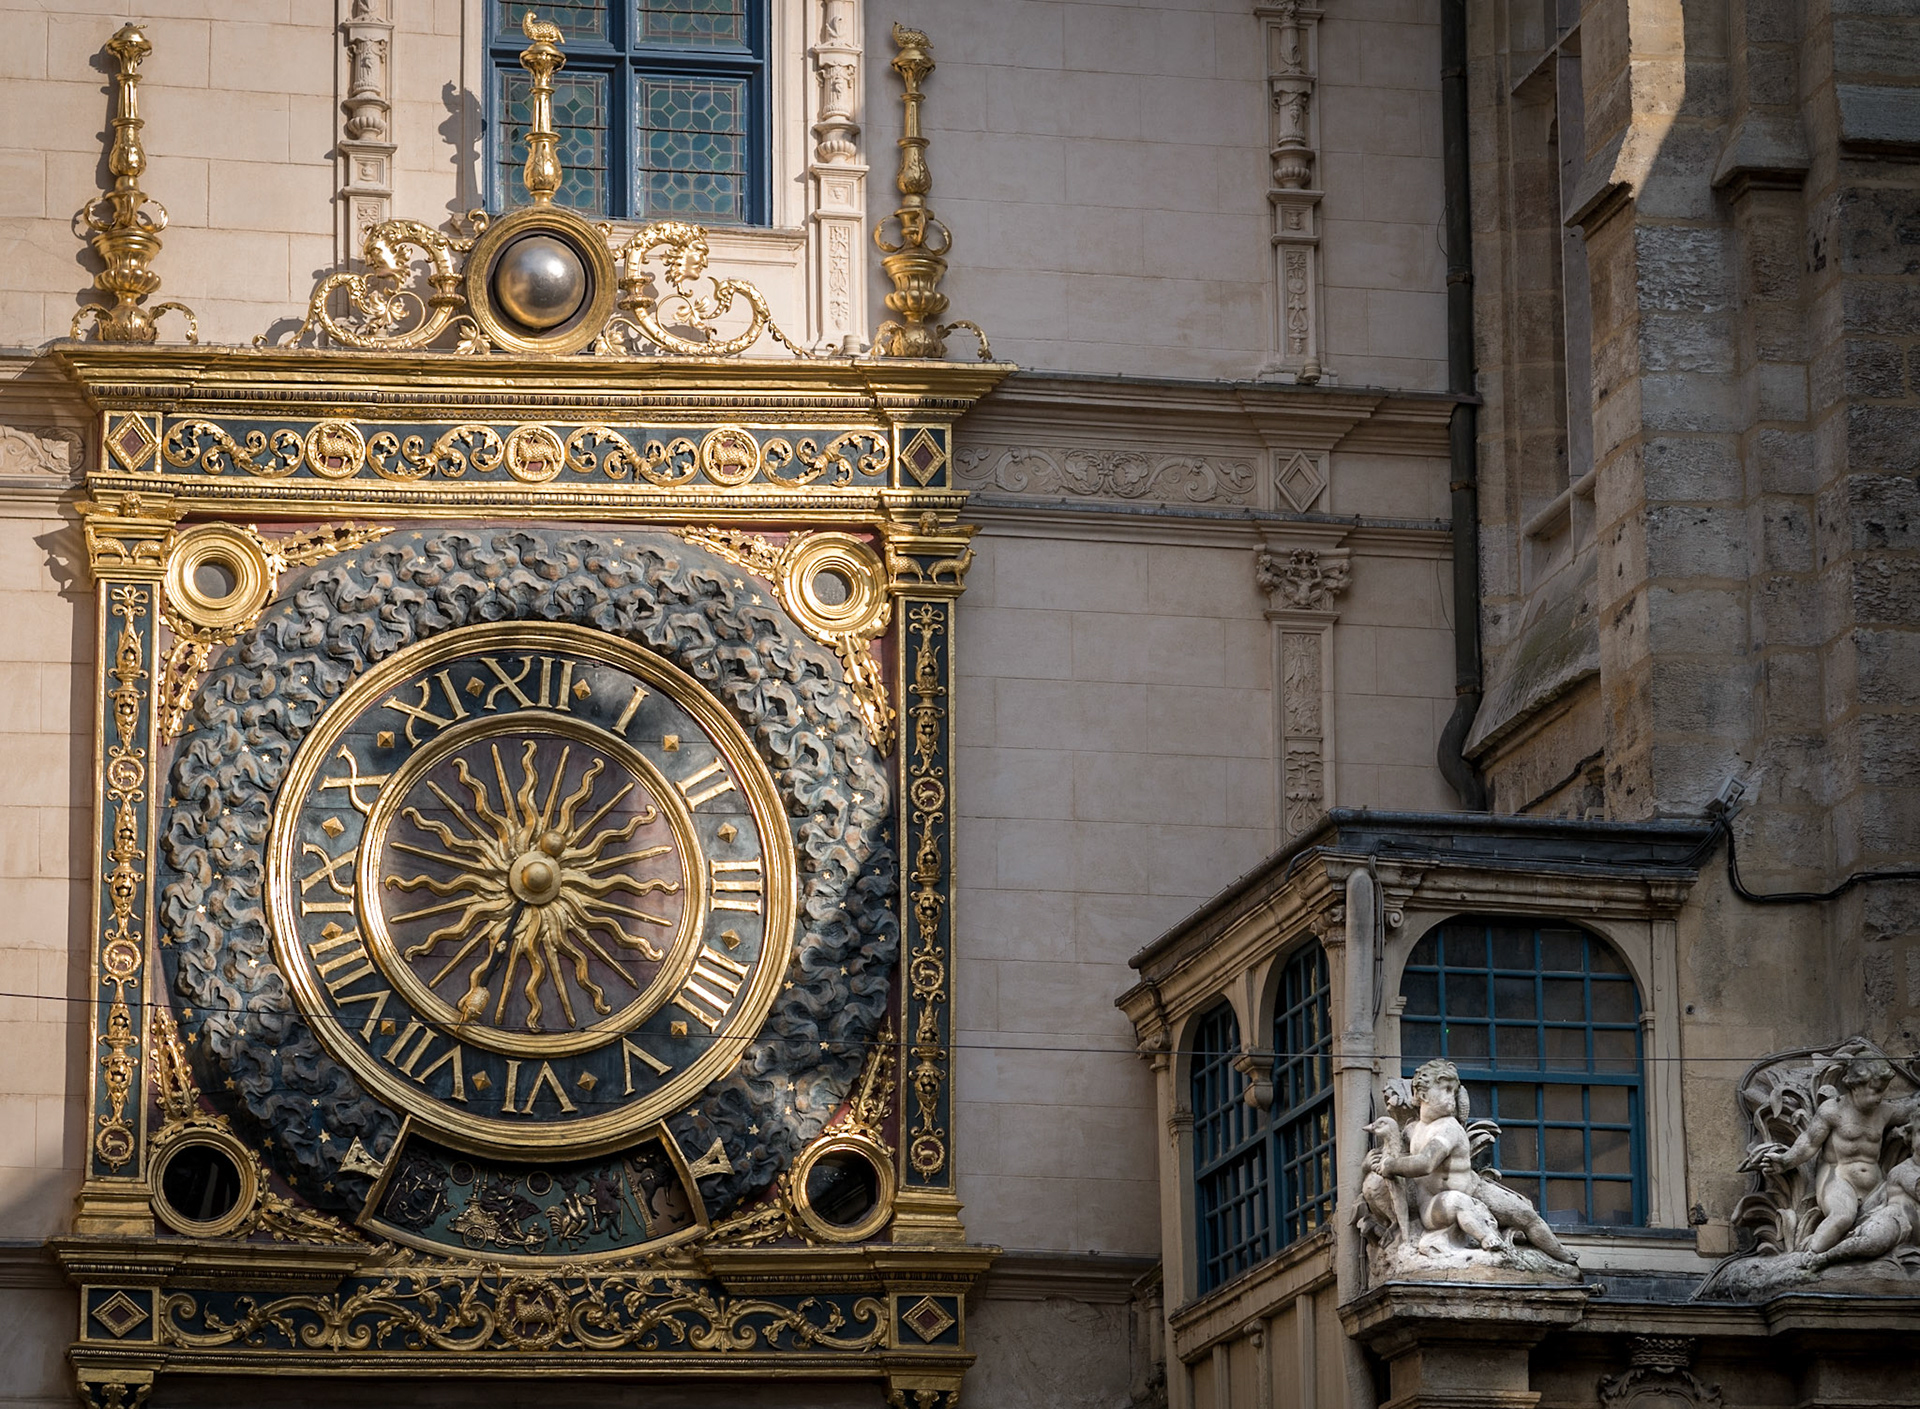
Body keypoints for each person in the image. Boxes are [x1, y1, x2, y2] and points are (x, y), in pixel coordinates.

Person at [1366, 1058, 1576, 1265]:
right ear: (1422, 1094)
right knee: (1458, 1201)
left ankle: (1562, 1256)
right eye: (1446, 1089)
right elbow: (1395, 1154)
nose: (1452, 1097)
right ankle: (1486, 1238)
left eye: (1454, 1090)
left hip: (1474, 1187)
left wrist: (1391, 1166)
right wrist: (1371, 1163)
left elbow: (1425, 1163)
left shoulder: (1448, 1127)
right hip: (1433, 1205)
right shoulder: (1413, 1130)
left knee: (1525, 1214)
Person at [1758, 1056, 1900, 1255]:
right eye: (1876, 1090)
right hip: (1838, 1179)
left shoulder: (1885, 1112)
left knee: (1903, 1212)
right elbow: (1808, 1142)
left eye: (1883, 1091)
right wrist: (1786, 1160)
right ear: (1856, 1085)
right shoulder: (1834, 1110)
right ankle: (1807, 1259)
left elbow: (1913, 1108)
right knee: (1842, 1216)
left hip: (1876, 1187)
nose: (1880, 1096)